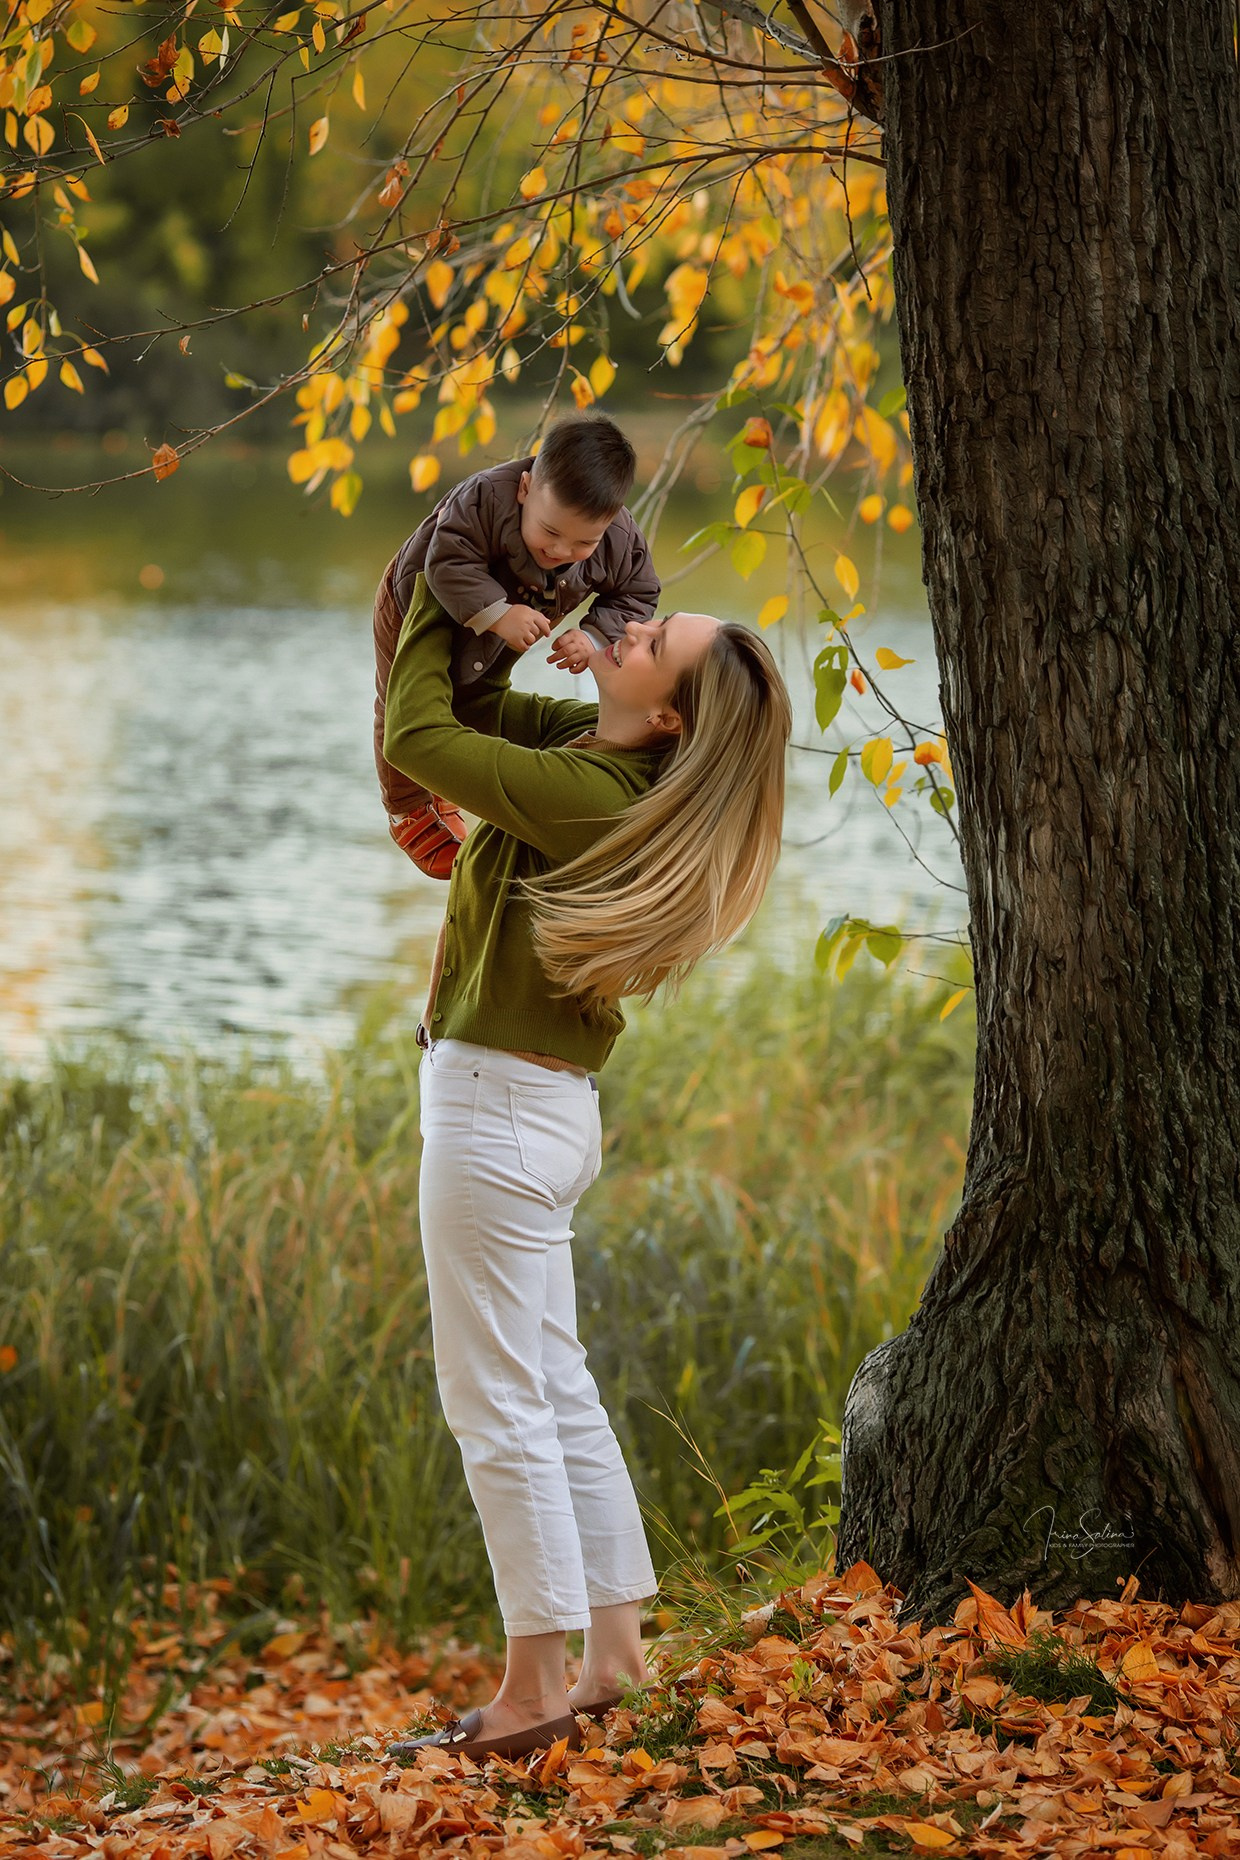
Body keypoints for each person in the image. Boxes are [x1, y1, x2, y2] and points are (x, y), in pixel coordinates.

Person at [380, 568, 792, 1764]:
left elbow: (415, 735)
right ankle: (614, 1660)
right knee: (553, 1388)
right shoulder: (601, 765)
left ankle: (532, 1692)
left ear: (663, 716)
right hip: (538, 1110)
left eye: (652, 639)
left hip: (497, 1113)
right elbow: (472, 713)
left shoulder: (593, 795)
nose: (630, 627)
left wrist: (439, 588)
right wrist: (509, 604)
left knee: (497, 1403)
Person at [374, 414, 660, 879]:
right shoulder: (483, 498)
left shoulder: (618, 539)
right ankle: (406, 806)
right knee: (400, 699)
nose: (561, 551)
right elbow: (447, 562)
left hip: (512, 620)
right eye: (550, 532)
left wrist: (592, 635)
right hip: (417, 601)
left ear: (610, 522)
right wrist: (498, 614)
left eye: (584, 542)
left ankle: (444, 778)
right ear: (526, 488)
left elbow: (637, 592)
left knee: (470, 694)